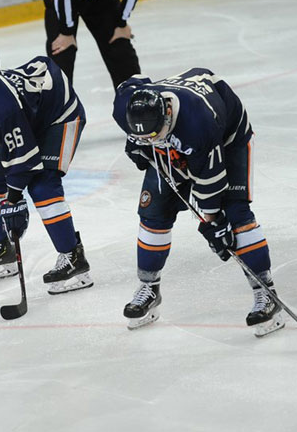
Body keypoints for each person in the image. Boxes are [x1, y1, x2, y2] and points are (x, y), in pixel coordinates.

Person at [112, 68, 285, 336]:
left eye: (152, 134)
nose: (148, 141)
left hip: (227, 138)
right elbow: (130, 82)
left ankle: (266, 293)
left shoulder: (198, 122)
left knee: (236, 215)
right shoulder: (127, 105)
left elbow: (210, 184)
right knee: (153, 213)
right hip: (175, 143)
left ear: (167, 113)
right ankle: (149, 287)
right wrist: (140, 144)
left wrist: (213, 223)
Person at [0, 42, 93, 295]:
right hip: (24, 120)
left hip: (59, 116)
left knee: (43, 186)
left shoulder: (2, 106)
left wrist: (13, 199)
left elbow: (25, 161)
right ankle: (3, 249)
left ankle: (74, 258)